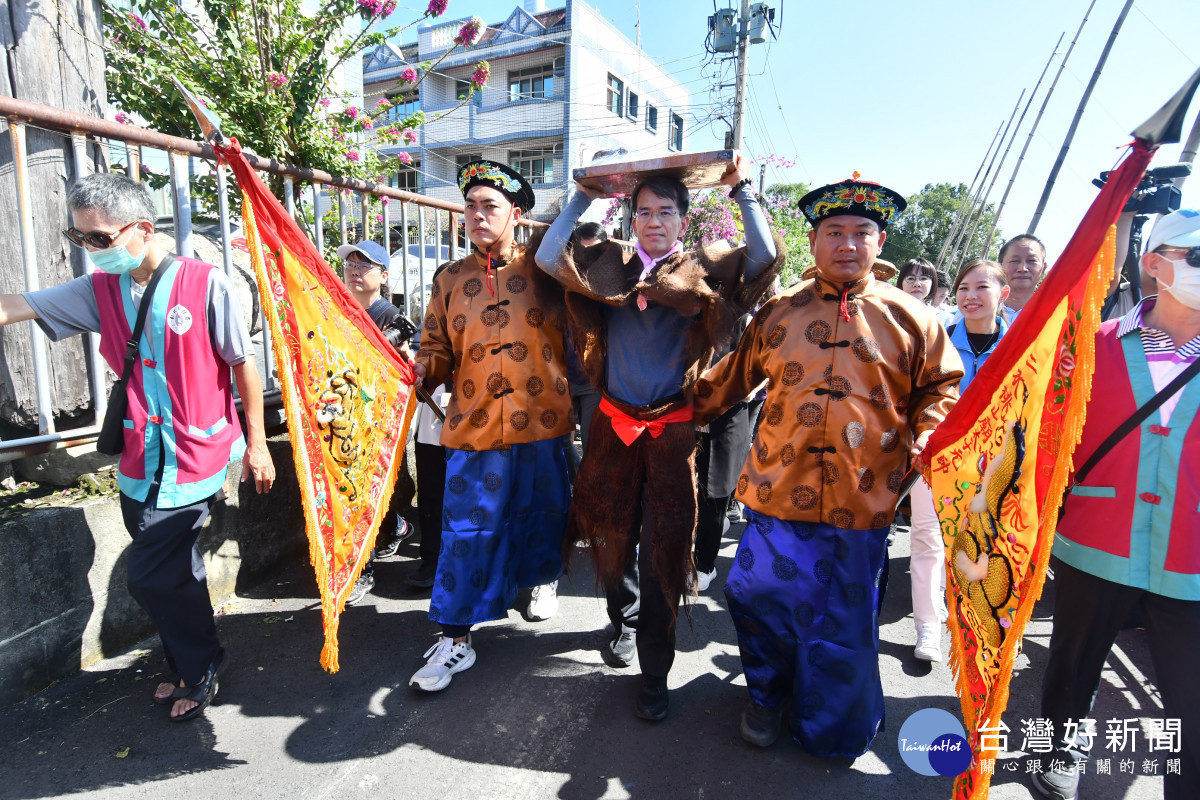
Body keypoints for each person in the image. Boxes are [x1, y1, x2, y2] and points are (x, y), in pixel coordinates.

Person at [692, 175, 963, 756]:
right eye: (834, 232)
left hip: (862, 500)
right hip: (774, 490)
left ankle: (829, 725)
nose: (847, 243)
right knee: (756, 598)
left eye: (861, 232)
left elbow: (943, 388)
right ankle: (765, 695)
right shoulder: (781, 311)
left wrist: (931, 432)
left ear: (880, 241)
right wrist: (660, 411)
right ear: (814, 241)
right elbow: (730, 379)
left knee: (840, 624)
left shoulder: (912, 317)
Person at [0, 173, 275, 721]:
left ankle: (200, 667)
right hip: (137, 460)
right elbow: (19, 305)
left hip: (195, 456)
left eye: (100, 239)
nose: (91, 251)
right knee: (175, 574)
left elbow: (244, 366)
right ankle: (186, 663)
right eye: (80, 239)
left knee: (151, 574)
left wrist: (258, 443)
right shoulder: (98, 289)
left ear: (142, 230)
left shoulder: (205, 284)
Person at [535, 155, 783, 721]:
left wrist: (742, 190)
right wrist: (583, 195)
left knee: (664, 550)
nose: (653, 221)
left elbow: (765, 258)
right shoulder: (608, 265)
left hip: (673, 433)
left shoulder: (704, 270)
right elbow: (549, 256)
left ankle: (655, 670)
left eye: (665, 212)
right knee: (612, 533)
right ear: (631, 216)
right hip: (612, 426)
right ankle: (620, 621)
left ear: (683, 219)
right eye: (643, 211)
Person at [1032, 208, 1200, 800]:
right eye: (1196, 256)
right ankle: (1057, 747)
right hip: (1096, 538)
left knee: (1191, 692)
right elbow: (1047, 430)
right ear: (1153, 266)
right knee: (1074, 662)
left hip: (1190, 552)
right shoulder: (1095, 346)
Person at [409, 159, 570, 692]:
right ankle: (454, 638)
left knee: (541, 516)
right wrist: (423, 368)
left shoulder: (546, 273)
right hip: (474, 427)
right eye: (470, 206)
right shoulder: (449, 279)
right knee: (465, 531)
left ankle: (540, 581)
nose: (477, 216)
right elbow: (435, 345)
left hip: (543, 421)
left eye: (490, 206)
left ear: (515, 214)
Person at [908, 258, 1010, 662]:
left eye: (982, 287)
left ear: (1002, 294)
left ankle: (974, 621)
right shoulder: (939, 340)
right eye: (965, 287)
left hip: (996, 466)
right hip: (935, 458)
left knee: (982, 545)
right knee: (927, 541)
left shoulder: (1019, 352)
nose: (971, 296)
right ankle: (928, 627)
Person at [336, 239, 416, 605]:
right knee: (360, 494)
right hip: (342, 417)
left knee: (363, 494)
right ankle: (394, 526)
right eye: (350, 263)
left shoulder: (392, 317)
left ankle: (360, 571)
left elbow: (401, 363)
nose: (354, 269)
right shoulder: (337, 309)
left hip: (377, 421)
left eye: (364, 265)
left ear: (383, 276)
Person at [998, 233, 1049, 321]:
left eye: (1031, 261)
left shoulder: (1053, 314)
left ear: (1043, 268)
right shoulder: (981, 309)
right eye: (1014, 261)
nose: (1022, 268)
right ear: (1000, 267)